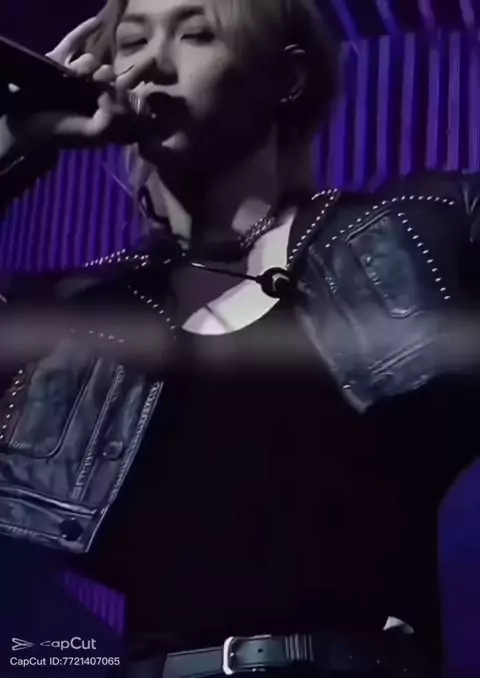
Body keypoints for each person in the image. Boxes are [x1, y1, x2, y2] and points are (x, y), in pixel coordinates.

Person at [0, 0, 479, 676]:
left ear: (286, 78)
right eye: (131, 42)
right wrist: (12, 146)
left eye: (196, 34)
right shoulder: (79, 313)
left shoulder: (415, 235)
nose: (152, 64)